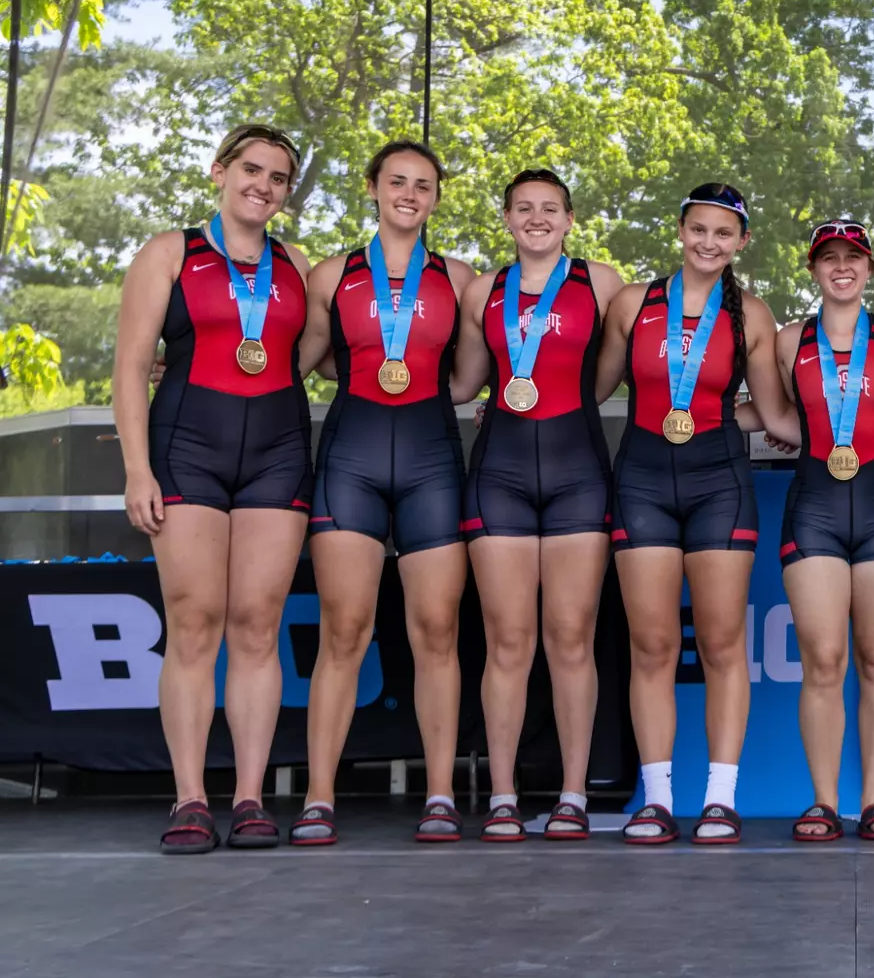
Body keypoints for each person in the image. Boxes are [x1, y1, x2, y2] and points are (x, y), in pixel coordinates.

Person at [114, 124, 314, 852]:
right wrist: (138, 470)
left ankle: (253, 797)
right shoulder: (169, 253)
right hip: (186, 452)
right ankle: (191, 799)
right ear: (220, 172)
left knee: (259, 625)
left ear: (287, 193)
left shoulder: (296, 266)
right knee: (195, 623)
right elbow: (131, 368)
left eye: (278, 177)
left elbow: (331, 348)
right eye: (251, 169)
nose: (262, 184)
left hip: (278, 453)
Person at [288, 140, 477, 845]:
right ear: (372, 187)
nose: (409, 193)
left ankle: (437, 795)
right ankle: (318, 797)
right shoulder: (331, 273)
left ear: (435, 197)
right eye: (396, 181)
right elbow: (297, 359)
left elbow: (474, 373)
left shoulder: (459, 278)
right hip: (351, 458)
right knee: (345, 632)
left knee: (437, 632)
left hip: (431, 458)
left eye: (423, 185)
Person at [594, 182, 790, 844]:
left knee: (720, 641)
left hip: (718, 481)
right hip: (644, 478)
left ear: (741, 242)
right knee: (650, 645)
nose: (709, 242)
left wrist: (839, 431)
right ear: (680, 231)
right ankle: (655, 800)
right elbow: (591, 388)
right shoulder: (634, 304)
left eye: (723, 234)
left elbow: (770, 410)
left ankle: (720, 799)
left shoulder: (751, 316)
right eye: (698, 229)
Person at [449, 169, 625, 841]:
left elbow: (614, 368)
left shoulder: (600, 283)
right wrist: (343, 366)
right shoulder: (482, 291)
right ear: (506, 218)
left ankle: (573, 794)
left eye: (550, 208)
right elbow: (464, 380)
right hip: (500, 475)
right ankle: (501, 795)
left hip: (579, 471)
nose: (537, 217)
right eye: (524, 208)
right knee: (508, 641)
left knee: (571, 639)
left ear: (570, 218)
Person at [757, 221, 874, 842]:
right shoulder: (786, 341)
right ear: (812, 269)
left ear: (869, 269)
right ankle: (824, 802)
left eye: (852, 258)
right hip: (815, 508)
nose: (841, 267)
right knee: (824, 662)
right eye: (828, 258)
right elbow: (767, 408)